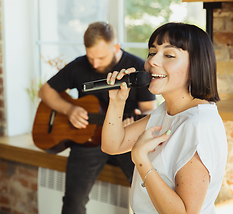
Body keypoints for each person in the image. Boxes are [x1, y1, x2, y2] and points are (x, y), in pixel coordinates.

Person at [101, 22, 228, 214]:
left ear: (196, 66)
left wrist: (140, 159)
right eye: (152, 53)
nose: (152, 61)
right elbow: (112, 144)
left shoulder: (198, 125)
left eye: (169, 55)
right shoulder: (165, 111)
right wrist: (117, 102)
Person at [38, 21, 156, 214]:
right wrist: (69, 110)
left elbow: (150, 111)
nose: (94, 64)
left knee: (146, 197)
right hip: (87, 142)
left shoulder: (135, 67)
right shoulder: (79, 65)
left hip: (125, 141)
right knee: (72, 204)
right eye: (90, 57)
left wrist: (132, 126)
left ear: (116, 47)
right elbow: (45, 92)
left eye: (100, 57)